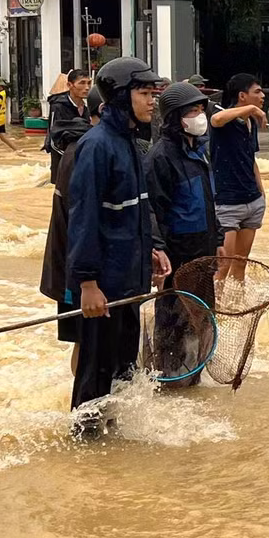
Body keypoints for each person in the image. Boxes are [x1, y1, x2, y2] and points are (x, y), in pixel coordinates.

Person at [67, 58, 170, 420]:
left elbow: (137, 209)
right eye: (144, 93)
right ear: (123, 97)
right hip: (104, 289)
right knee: (95, 381)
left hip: (130, 283)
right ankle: (87, 454)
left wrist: (153, 252)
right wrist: (88, 283)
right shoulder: (97, 147)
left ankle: (117, 461)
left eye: (153, 94)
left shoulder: (130, 142)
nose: (152, 101)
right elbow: (84, 220)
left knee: (124, 374)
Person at [146, 81, 221, 384]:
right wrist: (159, 250)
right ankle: (170, 382)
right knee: (173, 326)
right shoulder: (160, 158)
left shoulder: (198, 152)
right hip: (176, 261)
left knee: (202, 322)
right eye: (192, 110)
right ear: (175, 117)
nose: (200, 116)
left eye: (201, 109)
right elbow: (154, 212)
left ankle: (194, 379)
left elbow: (207, 204)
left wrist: (217, 242)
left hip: (202, 258)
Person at [39, 114, 92, 377]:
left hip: (73, 268)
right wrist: (86, 281)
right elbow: (80, 225)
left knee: (89, 342)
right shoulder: (82, 154)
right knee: (84, 341)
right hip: (74, 274)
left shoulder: (79, 149)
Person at [210, 73, 267, 281]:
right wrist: (252, 109)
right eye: (257, 92)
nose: (262, 96)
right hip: (227, 204)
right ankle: (214, 312)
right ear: (243, 96)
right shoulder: (223, 119)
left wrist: (261, 192)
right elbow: (216, 119)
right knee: (221, 268)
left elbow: (250, 159)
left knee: (241, 264)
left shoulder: (250, 124)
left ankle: (237, 310)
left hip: (252, 201)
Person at [44, 69, 92, 183]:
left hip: (81, 161)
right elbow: (53, 138)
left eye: (89, 83)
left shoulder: (86, 109)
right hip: (62, 161)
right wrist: (69, 157)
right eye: (82, 83)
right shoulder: (58, 106)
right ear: (70, 85)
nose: (87, 87)